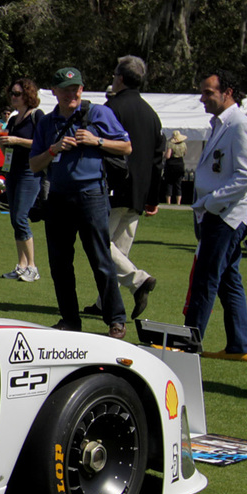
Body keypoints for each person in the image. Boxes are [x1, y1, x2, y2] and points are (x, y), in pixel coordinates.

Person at [30, 66, 133, 337]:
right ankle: (70, 320)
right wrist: (54, 149)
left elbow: (126, 146)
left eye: (75, 89)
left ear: (82, 89)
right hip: (58, 197)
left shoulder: (98, 113)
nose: (70, 94)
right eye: (64, 90)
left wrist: (96, 140)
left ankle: (116, 319)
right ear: (54, 92)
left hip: (92, 195)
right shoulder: (46, 123)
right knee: (60, 263)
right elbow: (34, 165)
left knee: (100, 258)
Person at [185, 69, 247, 361]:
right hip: (218, 213)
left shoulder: (241, 125)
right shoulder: (219, 124)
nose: (202, 98)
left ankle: (188, 343)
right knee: (229, 278)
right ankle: (240, 345)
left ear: (228, 92)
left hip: (228, 215)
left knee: (206, 278)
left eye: (208, 92)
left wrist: (212, 202)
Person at [89, 56, 161, 320]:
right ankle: (104, 302)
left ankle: (138, 280)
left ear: (120, 77)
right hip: (138, 192)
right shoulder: (151, 114)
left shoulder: (110, 108)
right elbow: (157, 159)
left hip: (113, 187)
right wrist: (152, 197)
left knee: (98, 242)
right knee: (119, 248)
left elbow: (102, 146)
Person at [0, 78, 43, 282]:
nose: (14, 97)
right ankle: (21, 265)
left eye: (17, 94)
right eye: (12, 94)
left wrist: (17, 140)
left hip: (29, 171)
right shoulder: (14, 119)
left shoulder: (37, 116)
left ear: (28, 95)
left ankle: (32, 266)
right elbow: (9, 147)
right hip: (13, 171)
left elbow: (42, 143)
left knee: (21, 218)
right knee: (15, 218)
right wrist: (5, 143)